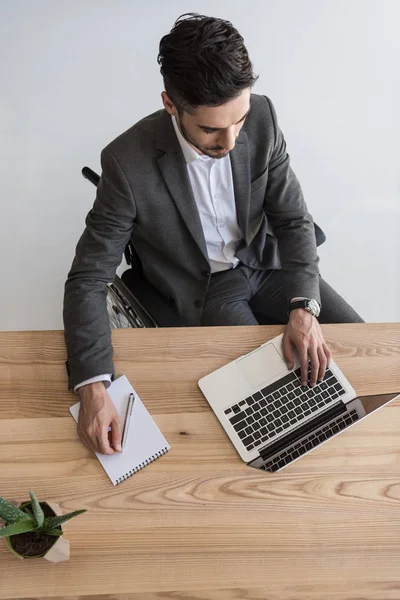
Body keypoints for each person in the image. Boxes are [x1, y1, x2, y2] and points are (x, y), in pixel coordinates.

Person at [63, 13, 363, 456]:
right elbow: (88, 278)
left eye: (237, 121)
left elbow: (293, 219)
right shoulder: (126, 164)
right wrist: (92, 386)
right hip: (207, 285)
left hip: (267, 260)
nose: (230, 140)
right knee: (274, 399)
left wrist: (304, 306)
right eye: (210, 128)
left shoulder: (260, 116)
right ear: (170, 103)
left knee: (366, 349)